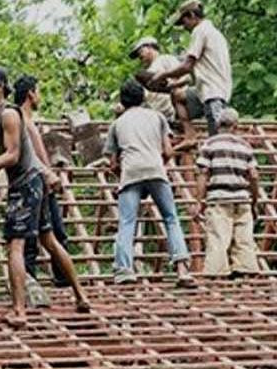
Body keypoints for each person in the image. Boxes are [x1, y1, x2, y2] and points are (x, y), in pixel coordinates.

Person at [0, 67, 91, 328]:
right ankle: (81, 296)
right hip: (32, 183)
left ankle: (19, 310)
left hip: (26, 184)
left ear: (1, 86)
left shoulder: (10, 115)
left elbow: (12, 155)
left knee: (15, 245)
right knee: (48, 240)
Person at [104, 79, 195, 287]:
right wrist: (158, 163)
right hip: (156, 170)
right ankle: (182, 270)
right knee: (171, 218)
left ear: (122, 101)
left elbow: (112, 163)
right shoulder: (157, 117)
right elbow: (169, 151)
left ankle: (124, 270)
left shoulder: (117, 124)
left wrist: (122, 172)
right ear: (143, 98)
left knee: (127, 222)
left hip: (131, 172)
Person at [13, 75, 72, 292]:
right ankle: (32, 281)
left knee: (48, 234)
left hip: (41, 184)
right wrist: (48, 174)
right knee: (37, 237)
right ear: (30, 94)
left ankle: (59, 280)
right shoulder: (22, 122)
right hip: (35, 184)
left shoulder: (25, 121)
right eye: (38, 91)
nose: (39, 97)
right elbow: (30, 157)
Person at [149, 1, 231, 149]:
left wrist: (162, 75)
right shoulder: (214, 33)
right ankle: (190, 136)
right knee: (178, 95)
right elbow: (199, 71)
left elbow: (187, 66)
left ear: (192, 15)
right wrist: (175, 84)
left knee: (217, 140)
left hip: (213, 93)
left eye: (184, 22)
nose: (184, 27)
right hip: (210, 90)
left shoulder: (200, 31)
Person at [193, 108, 260, 276]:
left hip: (219, 197)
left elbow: (203, 174)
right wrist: (254, 200)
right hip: (242, 198)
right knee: (244, 238)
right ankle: (246, 268)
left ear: (218, 124)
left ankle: (216, 273)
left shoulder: (210, 144)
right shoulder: (245, 146)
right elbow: (253, 175)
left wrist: (198, 201)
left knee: (218, 237)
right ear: (236, 126)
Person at [130, 36, 190, 121]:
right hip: (155, 116)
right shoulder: (146, 72)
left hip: (173, 112)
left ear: (150, 47)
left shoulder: (165, 59)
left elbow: (186, 78)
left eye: (141, 51)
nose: (139, 56)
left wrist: (172, 86)